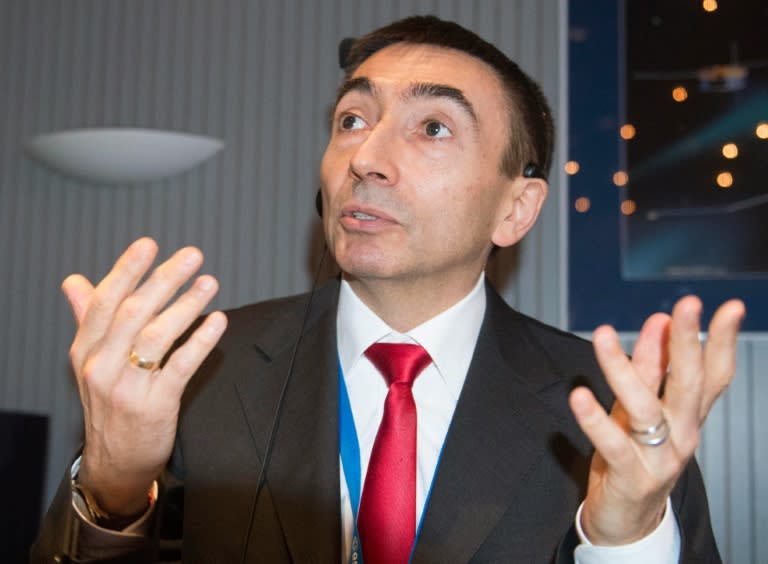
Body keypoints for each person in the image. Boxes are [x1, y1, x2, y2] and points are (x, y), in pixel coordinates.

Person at [32, 15, 743, 564]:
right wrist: (113, 493)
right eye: (351, 121)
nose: (366, 158)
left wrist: (622, 539)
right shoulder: (200, 372)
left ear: (515, 209)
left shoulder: (613, 412)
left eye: (432, 127)